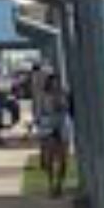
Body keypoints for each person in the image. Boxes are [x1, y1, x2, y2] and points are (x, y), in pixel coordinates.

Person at [34, 70, 74, 198]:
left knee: (63, 159)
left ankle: (59, 184)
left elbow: (69, 109)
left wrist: (62, 104)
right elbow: (40, 114)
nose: (55, 86)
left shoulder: (64, 94)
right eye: (52, 83)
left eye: (57, 83)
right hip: (49, 128)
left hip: (62, 127)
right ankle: (51, 184)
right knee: (50, 158)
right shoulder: (43, 97)